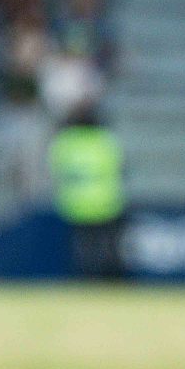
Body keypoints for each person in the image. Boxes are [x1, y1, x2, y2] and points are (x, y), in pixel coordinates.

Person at [49, 103, 124, 280]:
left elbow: (56, 170)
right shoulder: (106, 140)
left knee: (83, 249)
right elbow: (120, 167)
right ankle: (110, 281)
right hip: (107, 202)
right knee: (108, 247)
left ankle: (87, 280)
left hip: (77, 205)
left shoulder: (65, 142)